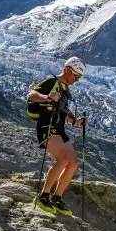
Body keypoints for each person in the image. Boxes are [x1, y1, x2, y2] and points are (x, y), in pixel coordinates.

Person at [28, 56, 88, 215]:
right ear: (68, 70)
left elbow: (66, 115)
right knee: (63, 160)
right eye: (76, 76)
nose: (77, 79)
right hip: (47, 125)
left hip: (59, 128)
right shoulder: (51, 82)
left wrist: (76, 122)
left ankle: (57, 197)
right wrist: (47, 97)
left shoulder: (66, 91)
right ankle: (43, 196)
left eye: (79, 77)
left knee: (73, 163)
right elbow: (31, 95)